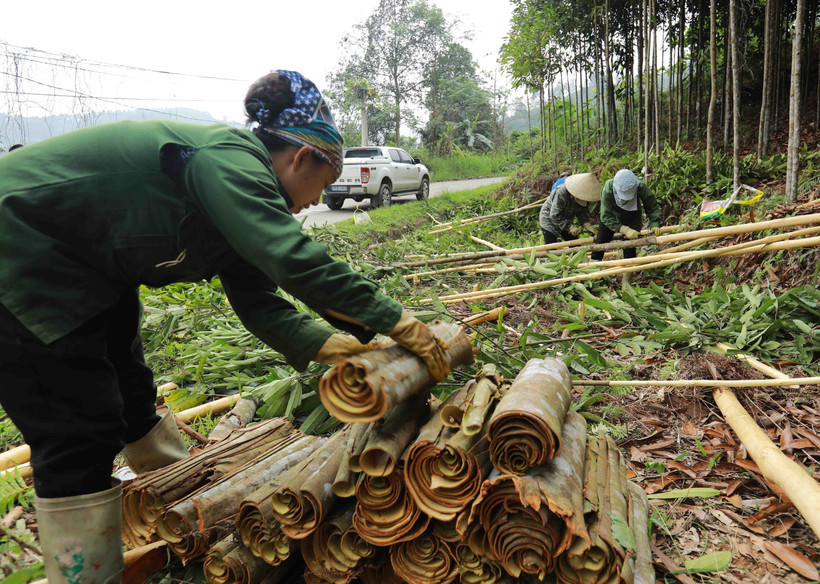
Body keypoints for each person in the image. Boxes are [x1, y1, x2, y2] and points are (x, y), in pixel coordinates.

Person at [0, 70, 449, 584]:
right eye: (320, 187)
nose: (309, 204)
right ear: (302, 158)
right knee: (79, 427)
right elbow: (290, 256)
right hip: (21, 248)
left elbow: (259, 300)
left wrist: (334, 345)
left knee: (129, 392)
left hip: (90, 268)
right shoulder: (229, 161)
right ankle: (84, 574)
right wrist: (398, 321)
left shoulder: (245, 190)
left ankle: (183, 508)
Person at [590, 168, 661, 262]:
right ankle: (594, 266)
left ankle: (628, 273)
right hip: (612, 216)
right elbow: (605, 215)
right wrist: (624, 229)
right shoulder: (608, 189)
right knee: (601, 241)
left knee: (630, 246)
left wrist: (654, 223)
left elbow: (651, 206)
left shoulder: (640, 187)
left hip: (631, 215)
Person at [538, 172, 601, 244]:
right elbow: (554, 215)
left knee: (575, 244)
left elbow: (582, 212)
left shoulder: (586, 196)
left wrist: (586, 224)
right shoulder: (562, 192)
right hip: (549, 219)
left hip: (566, 220)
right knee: (552, 247)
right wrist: (570, 227)